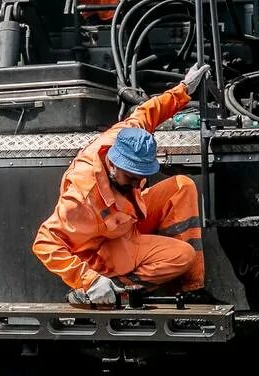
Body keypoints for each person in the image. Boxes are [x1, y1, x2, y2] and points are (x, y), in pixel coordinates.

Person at [33, 64, 211, 308]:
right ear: (113, 165)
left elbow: (148, 113)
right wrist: (91, 280)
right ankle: (115, 290)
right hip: (104, 249)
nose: (138, 183)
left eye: (142, 176)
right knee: (184, 256)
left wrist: (184, 89)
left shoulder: (125, 137)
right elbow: (45, 242)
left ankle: (190, 289)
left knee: (182, 186)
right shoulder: (83, 198)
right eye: (132, 177)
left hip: (126, 223)